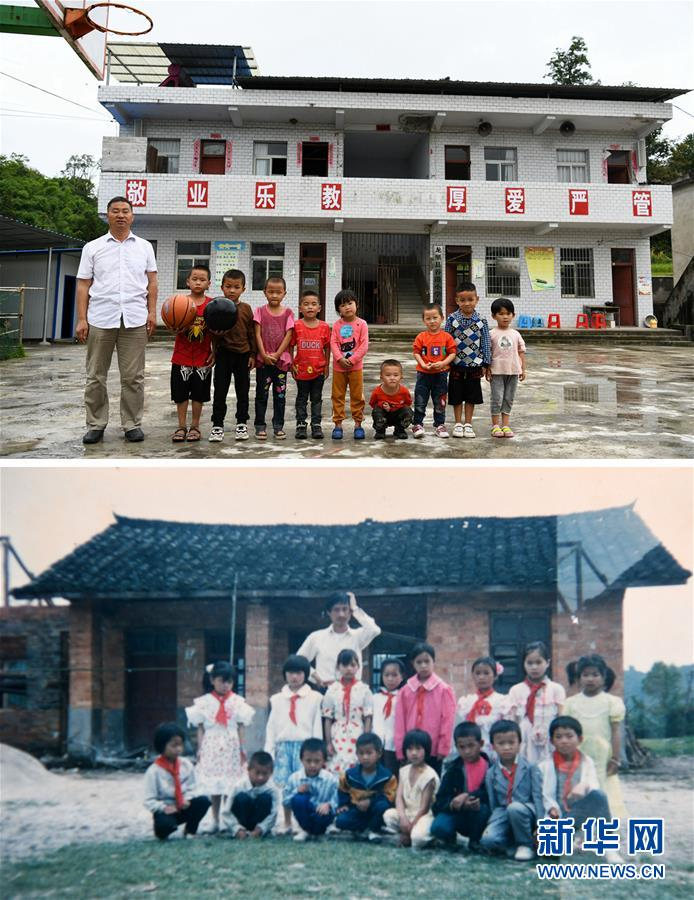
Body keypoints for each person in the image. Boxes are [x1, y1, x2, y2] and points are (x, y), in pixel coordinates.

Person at [76, 196, 157, 445]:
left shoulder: (144, 247)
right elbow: (83, 284)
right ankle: (96, 424)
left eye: (125, 211)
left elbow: (152, 282)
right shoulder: (92, 247)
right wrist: (81, 319)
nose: (120, 215)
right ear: (107, 215)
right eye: (115, 211)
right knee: (95, 375)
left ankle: (132, 424)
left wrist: (152, 312)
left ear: (132, 216)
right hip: (100, 318)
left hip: (134, 318)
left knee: (133, 377)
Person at [185, 660, 254, 832]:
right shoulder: (204, 702)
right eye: (222, 681)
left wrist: (242, 747)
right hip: (212, 744)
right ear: (212, 680)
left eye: (229, 681)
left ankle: (228, 819)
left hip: (231, 744)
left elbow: (240, 726)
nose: (225, 685)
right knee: (214, 785)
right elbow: (200, 727)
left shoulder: (237, 702)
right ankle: (215, 820)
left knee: (228, 785)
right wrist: (200, 748)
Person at [540, 715, 618, 860]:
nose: (564, 741)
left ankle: (608, 846)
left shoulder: (586, 762)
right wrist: (551, 808)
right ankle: (563, 840)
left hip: (578, 813)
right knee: (551, 854)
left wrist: (584, 785)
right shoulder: (545, 765)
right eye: (559, 737)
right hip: (557, 817)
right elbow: (544, 795)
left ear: (580, 739)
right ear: (552, 741)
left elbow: (593, 784)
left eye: (569, 736)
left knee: (599, 796)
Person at [264, 654, 323, 832]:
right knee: (284, 785)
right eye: (290, 673)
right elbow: (271, 726)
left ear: (305, 674)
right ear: (285, 674)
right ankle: (287, 821)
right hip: (283, 747)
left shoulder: (315, 697)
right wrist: (269, 750)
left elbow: (316, 724)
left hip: (304, 747)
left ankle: (303, 821)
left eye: (298, 673)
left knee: (304, 784)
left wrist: (316, 750)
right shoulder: (276, 699)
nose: (294, 677)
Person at [563, 654, 626, 818]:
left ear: (604, 677)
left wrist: (615, 758)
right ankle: (581, 827)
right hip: (579, 753)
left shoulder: (612, 702)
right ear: (579, 678)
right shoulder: (571, 703)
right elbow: (565, 732)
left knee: (602, 789)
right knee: (579, 787)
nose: (590, 679)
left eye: (595, 675)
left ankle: (604, 829)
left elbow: (615, 732)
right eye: (585, 675)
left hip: (602, 755)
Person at [479, 719, 543, 861]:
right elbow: (493, 802)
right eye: (501, 743)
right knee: (488, 840)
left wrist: (540, 825)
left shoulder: (531, 768)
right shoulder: (491, 773)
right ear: (493, 746)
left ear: (519, 744)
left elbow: (537, 797)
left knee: (514, 808)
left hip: (525, 810)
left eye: (511, 743)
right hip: (503, 811)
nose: (506, 747)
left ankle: (526, 844)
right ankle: (511, 843)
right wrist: (495, 822)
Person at [295, 591, 381, 690]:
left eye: (345, 609)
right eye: (336, 610)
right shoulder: (316, 637)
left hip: (353, 691)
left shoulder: (357, 636)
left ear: (350, 612)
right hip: (325, 690)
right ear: (329, 612)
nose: (341, 614)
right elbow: (299, 661)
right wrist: (316, 678)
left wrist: (355, 608)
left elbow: (374, 630)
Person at [208, 268, 255, 443]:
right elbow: (212, 333)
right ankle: (217, 425)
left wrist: (253, 354)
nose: (232, 290)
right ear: (222, 287)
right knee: (220, 391)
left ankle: (242, 423)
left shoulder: (246, 309)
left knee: (242, 392)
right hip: (223, 355)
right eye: (228, 286)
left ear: (243, 289)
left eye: (236, 287)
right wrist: (213, 351)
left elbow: (251, 332)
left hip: (243, 355)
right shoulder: (216, 306)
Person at [394, 642, 456, 774]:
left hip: (433, 749)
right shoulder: (405, 691)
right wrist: (400, 749)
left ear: (434, 661)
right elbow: (400, 722)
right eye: (419, 662)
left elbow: (447, 721)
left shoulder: (444, 690)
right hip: (411, 749)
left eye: (427, 661)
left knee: (432, 783)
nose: (423, 666)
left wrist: (443, 748)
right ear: (413, 663)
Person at [169, 265, 214, 443]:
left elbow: (215, 333)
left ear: (209, 283)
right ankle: (181, 426)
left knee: (198, 395)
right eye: (194, 278)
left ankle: (195, 426)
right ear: (187, 282)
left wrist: (215, 352)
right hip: (181, 357)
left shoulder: (212, 305)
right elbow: (172, 326)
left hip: (203, 357)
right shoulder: (178, 303)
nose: (198, 282)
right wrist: (175, 327)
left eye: (202, 279)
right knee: (180, 395)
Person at [143, 722, 210, 840]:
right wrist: (163, 807)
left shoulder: (186, 765)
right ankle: (164, 831)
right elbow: (149, 800)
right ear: (162, 746)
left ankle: (190, 831)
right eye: (174, 746)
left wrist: (188, 799)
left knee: (203, 801)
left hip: (183, 806)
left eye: (180, 745)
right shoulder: (154, 771)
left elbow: (195, 787)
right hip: (167, 809)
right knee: (165, 825)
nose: (178, 749)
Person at [430, 722, 491, 850]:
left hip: (481, 815)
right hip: (458, 814)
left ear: (481, 744)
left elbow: (491, 793)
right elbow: (439, 801)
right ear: (456, 747)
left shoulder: (490, 768)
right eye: (462, 747)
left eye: (471, 746)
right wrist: (453, 803)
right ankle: (449, 838)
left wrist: (469, 796)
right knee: (438, 827)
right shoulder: (453, 769)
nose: (467, 751)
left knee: (483, 809)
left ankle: (475, 840)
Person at [444, 282, 491, 439]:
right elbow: (446, 340)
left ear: (477, 299)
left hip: (474, 365)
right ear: (457, 300)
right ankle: (458, 423)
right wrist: (445, 361)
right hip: (455, 364)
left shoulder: (481, 320)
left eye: (470, 299)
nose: (467, 303)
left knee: (471, 396)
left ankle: (468, 424)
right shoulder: (452, 319)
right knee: (456, 395)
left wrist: (486, 363)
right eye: (463, 300)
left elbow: (485, 341)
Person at [508, 641, 565, 764]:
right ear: (523, 664)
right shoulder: (516, 690)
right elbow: (513, 722)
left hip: (549, 740)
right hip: (525, 740)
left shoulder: (556, 689)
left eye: (538, 662)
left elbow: (561, 719)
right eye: (529, 663)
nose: (534, 667)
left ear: (548, 663)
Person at [253, 275, 294, 440]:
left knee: (280, 396)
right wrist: (263, 354)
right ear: (265, 292)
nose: (274, 295)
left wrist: (277, 355)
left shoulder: (288, 312)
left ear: (284, 293)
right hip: (264, 361)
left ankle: (278, 426)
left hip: (280, 362)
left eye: (278, 292)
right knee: (261, 395)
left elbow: (289, 335)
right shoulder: (259, 311)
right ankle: (260, 426)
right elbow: (257, 334)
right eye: (271, 292)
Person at [383, 729, 439, 849]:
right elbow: (399, 797)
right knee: (388, 815)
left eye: (418, 749)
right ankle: (407, 832)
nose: (414, 753)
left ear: (426, 750)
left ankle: (424, 836)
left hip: (423, 816)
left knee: (417, 838)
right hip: (408, 813)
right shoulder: (404, 770)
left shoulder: (429, 775)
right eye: (410, 749)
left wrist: (409, 829)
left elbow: (424, 808)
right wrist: (403, 818)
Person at [335, 733, 397, 841]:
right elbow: (343, 789)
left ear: (379, 754)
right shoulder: (350, 775)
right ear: (357, 754)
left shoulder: (387, 776)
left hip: (376, 811)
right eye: (361, 753)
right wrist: (344, 804)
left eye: (369, 753)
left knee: (382, 806)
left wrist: (371, 802)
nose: (365, 757)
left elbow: (390, 796)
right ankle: (366, 828)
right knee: (341, 821)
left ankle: (374, 830)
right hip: (357, 809)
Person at [322, 648, 374, 774]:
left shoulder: (364, 690)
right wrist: (328, 742)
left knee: (356, 767)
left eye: (352, 665)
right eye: (345, 665)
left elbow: (368, 717)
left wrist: (365, 740)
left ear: (358, 667)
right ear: (338, 667)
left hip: (357, 733)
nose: (349, 669)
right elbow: (327, 718)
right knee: (336, 767)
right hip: (337, 734)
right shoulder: (332, 690)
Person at [411, 304, 457, 439]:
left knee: (440, 401)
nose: (432, 321)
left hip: (441, 374)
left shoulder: (447, 337)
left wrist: (443, 363)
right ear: (424, 320)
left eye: (435, 318)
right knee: (420, 400)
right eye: (428, 318)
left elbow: (452, 353)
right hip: (423, 374)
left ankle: (439, 425)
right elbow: (416, 352)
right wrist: (423, 364)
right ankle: (417, 424)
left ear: (442, 318)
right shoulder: (421, 336)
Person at [291, 289, 331, 440]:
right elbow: (290, 345)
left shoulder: (324, 327)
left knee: (316, 398)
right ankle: (301, 424)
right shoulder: (296, 325)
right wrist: (290, 363)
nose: (310, 307)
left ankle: (316, 425)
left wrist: (326, 365)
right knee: (301, 398)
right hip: (300, 370)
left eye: (314, 304)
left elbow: (327, 347)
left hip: (318, 370)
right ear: (300, 308)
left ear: (319, 308)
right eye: (306, 304)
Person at [330, 289, 369, 440]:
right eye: (343, 305)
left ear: (356, 305)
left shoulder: (362, 324)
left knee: (357, 396)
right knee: (338, 396)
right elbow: (333, 343)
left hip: (356, 368)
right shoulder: (337, 325)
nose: (347, 307)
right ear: (338, 310)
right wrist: (339, 358)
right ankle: (338, 424)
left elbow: (364, 345)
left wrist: (352, 360)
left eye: (350, 303)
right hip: (339, 368)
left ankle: (358, 424)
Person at [283, 738, 339, 841]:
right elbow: (286, 801)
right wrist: (297, 791)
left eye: (317, 761)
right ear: (301, 760)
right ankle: (306, 830)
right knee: (299, 799)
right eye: (308, 761)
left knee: (323, 816)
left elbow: (337, 798)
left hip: (322, 814)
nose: (312, 765)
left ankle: (320, 831)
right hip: (304, 816)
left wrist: (328, 805)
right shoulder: (294, 778)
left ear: (324, 761)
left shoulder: (330, 779)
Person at [486, 297, 526, 439]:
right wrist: (486, 368)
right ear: (494, 316)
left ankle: (506, 424)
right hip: (496, 371)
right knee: (497, 398)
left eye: (508, 314)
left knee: (509, 398)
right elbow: (487, 352)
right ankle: (496, 425)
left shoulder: (515, 333)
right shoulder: (491, 334)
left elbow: (521, 351)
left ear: (513, 315)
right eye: (501, 314)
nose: (505, 317)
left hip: (514, 371)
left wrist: (523, 369)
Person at [456, 655, 510, 758]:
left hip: (494, 751)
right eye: (478, 673)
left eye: (486, 673)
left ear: (495, 676)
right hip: (471, 750)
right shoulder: (467, 702)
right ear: (473, 676)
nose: (481, 677)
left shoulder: (502, 701)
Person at [222, 750, 278, 839]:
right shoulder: (238, 786)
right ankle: (242, 832)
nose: (260, 777)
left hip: (259, 822)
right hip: (242, 820)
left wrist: (262, 828)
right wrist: (236, 828)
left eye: (265, 774)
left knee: (265, 798)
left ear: (271, 773)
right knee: (242, 797)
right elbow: (226, 811)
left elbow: (274, 813)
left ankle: (256, 832)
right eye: (257, 773)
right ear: (248, 770)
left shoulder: (272, 789)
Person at [372, 657, 406, 775]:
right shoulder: (375, 698)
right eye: (386, 675)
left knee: (392, 775)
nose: (390, 679)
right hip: (376, 744)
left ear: (402, 677)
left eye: (394, 675)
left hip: (394, 745)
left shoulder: (404, 698)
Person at [369, 359, 413, 440]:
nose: (392, 378)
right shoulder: (377, 392)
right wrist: (382, 405)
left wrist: (395, 408)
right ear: (381, 377)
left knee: (408, 411)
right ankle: (380, 431)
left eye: (396, 375)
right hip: (384, 416)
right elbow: (373, 404)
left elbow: (408, 403)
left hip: (398, 415)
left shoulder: (404, 391)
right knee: (377, 411)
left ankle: (400, 430)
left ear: (401, 376)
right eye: (388, 375)